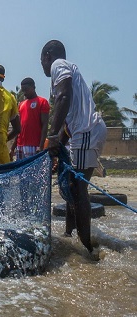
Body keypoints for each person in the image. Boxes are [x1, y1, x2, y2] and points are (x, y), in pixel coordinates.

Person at [41, 40, 107, 258]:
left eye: (42, 59)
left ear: (48, 55)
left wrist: (51, 136)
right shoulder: (68, 68)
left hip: (86, 132)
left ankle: (88, 249)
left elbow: (64, 97)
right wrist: (57, 141)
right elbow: (67, 113)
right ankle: (70, 235)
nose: (42, 64)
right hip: (82, 134)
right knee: (72, 186)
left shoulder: (58, 65)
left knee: (78, 190)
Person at [10, 77, 50, 160]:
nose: (24, 93)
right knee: (21, 172)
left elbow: (45, 124)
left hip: (34, 146)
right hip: (20, 146)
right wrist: (13, 148)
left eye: (26, 89)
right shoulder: (21, 104)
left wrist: (41, 145)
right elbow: (19, 127)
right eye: (22, 90)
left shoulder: (42, 102)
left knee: (34, 172)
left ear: (33, 87)